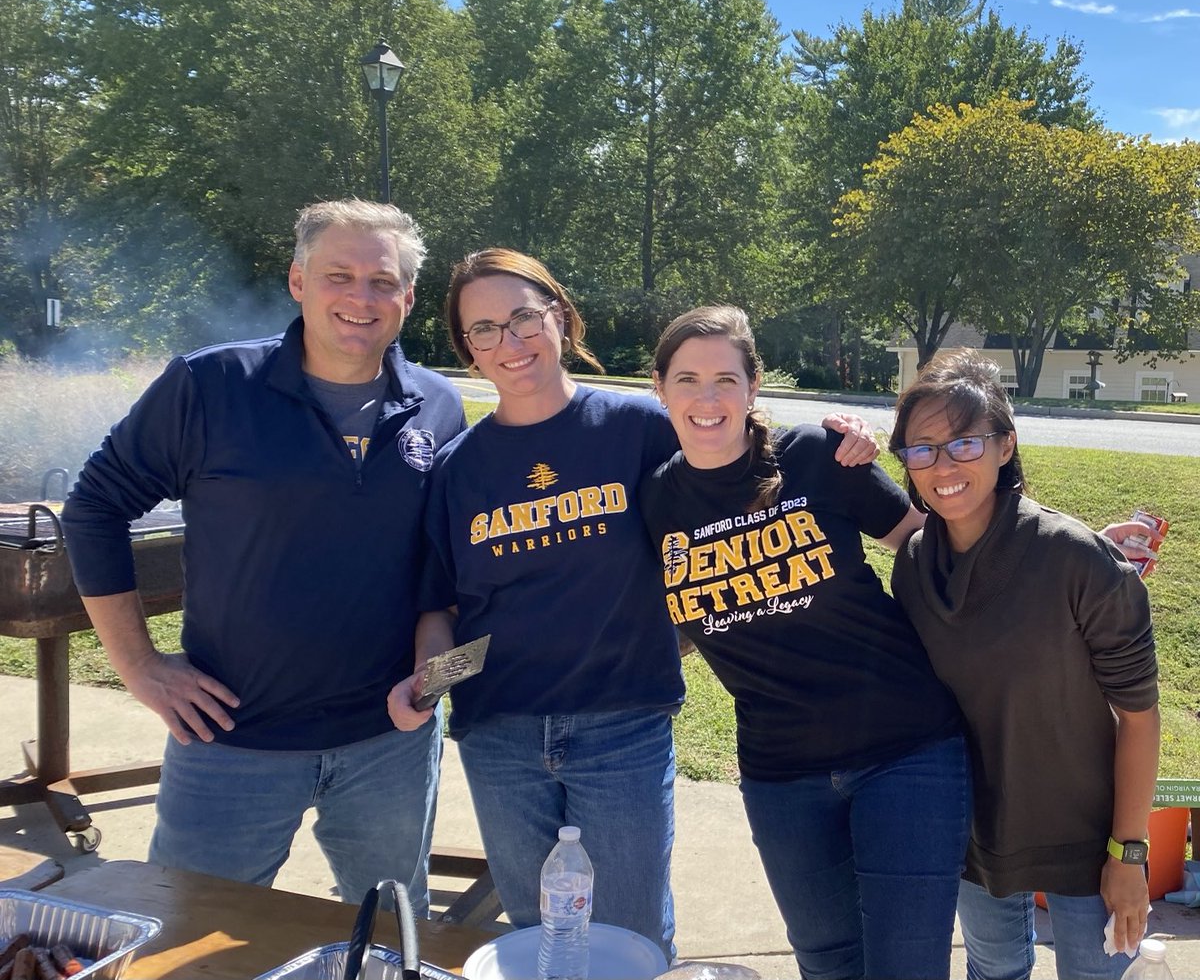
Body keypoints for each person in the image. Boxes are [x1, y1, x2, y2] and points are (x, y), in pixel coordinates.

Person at [386, 252, 876, 958]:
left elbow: (733, 434)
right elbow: (442, 609)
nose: (511, 341)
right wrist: (426, 683)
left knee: (632, 940)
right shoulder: (459, 467)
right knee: (536, 940)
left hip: (622, 726)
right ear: (468, 348)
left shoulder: (640, 427)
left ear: (559, 314)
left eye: (524, 315)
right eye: (484, 328)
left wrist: (839, 442)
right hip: (501, 737)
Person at [61, 199, 466, 911]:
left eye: (383, 280)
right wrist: (141, 665)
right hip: (230, 742)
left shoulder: (438, 406)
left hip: (387, 746)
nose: (361, 297)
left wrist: (436, 676)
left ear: (407, 296)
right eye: (339, 274)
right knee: (182, 937)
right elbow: (95, 505)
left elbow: (441, 569)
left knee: (390, 934)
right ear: (298, 280)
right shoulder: (211, 386)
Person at [638, 305, 971, 980]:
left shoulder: (817, 456)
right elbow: (666, 625)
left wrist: (1061, 555)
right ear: (659, 387)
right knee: (828, 964)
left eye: (726, 379)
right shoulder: (653, 502)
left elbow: (930, 546)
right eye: (689, 379)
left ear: (754, 386)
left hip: (905, 749)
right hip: (781, 773)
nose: (708, 399)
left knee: (907, 965)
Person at [888, 349, 1160, 980]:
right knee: (995, 972)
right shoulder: (915, 566)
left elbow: (1140, 719)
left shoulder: (1076, 560)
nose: (943, 465)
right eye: (921, 448)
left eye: (964, 443)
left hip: (1089, 842)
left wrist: (1129, 854)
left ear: (1005, 446)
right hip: (974, 837)